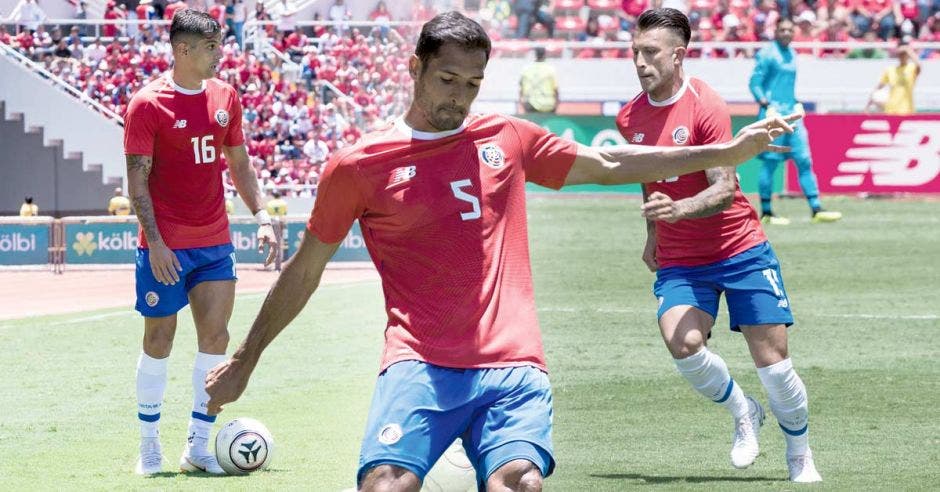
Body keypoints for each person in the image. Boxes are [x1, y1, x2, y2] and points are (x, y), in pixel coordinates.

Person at [204, 11, 796, 491]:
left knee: (520, 484)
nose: (459, 97)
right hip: (419, 361)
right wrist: (248, 359)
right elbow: (305, 270)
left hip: (512, 364)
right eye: (446, 79)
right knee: (384, 483)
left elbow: (612, 161)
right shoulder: (359, 166)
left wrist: (722, 153)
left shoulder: (506, 137)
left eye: (472, 84)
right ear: (415, 69)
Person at [618, 9, 822, 483]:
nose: (641, 62)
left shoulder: (706, 105)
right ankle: (743, 411)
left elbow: (724, 188)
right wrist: (653, 234)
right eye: (635, 52)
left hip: (740, 249)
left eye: (650, 52)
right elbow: (648, 180)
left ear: (678, 54)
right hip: (682, 258)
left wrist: (679, 211)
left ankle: (799, 454)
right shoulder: (629, 117)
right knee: (683, 343)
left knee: (773, 367)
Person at [122, 9, 277, 476]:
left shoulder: (226, 96)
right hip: (164, 246)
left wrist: (263, 216)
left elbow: (240, 163)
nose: (219, 54)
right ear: (182, 49)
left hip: (214, 241)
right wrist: (157, 242)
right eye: (210, 47)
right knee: (159, 340)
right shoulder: (147, 104)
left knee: (216, 337)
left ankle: (199, 444)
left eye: (219, 45)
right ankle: (150, 444)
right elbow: (137, 182)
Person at [749, 18, 842, 225]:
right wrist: (766, 105)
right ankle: (766, 212)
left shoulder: (792, 53)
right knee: (771, 163)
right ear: (776, 32)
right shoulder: (766, 53)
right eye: (782, 29)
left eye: (789, 30)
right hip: (772, 115)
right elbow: (755, 83)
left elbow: (786, 85)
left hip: (791, 113)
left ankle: (816, 209)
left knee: (804, 160)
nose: (786, 33)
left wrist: (795, 102)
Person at [867, 41, 921, 115]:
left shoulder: (912, 68)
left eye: (904, 54)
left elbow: (919, 66)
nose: (902, 56)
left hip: (907, 109)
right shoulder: (890, 70)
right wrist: (868, 104)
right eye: (900, 54)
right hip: (891, 110)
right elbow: (878, 88)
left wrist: (908, 50)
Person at [519, 46, 558, 114]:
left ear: (535, 55)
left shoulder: (526, 70)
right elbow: (556, 90)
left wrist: (522, 102)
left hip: (530, 105)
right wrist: (556, 105)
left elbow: (520, 89)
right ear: (545, 55)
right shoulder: (550, 70)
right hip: (548, 105)